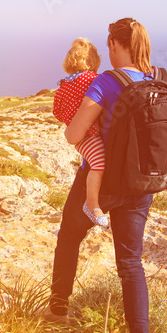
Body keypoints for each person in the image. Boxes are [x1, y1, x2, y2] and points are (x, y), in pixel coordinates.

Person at [44, 18, 165, 333]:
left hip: (101, 178)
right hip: (140, 184)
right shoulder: (160, 78)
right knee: (131, 264)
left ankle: (58, 309)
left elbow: (73, 134)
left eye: (109, 44)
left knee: (69, 238)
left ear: (114, 44)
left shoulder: (106, 81)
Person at [52, 38, 109, 229]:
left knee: (95, 162)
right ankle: (92, 204)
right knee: (99, 163)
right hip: (90, 135)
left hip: (80, 139)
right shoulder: (93, 79)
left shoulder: (63, 86)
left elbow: (57, 113)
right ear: (92, 62)